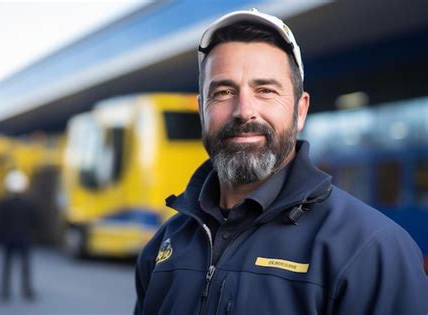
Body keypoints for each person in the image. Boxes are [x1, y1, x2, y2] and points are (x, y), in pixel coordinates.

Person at [134, 9, 428, 314]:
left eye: (265, 90)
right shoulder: (164, 246)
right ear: (202, 111)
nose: (244, 110)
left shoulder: (373, 250)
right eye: (223, 92)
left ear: (300, 111)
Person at [0, 169, 37, 301]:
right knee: (25, 267)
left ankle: (4, 292)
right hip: (24, 239)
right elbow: (37, 222)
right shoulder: (30, 204)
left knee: (7, 266)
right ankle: (27, 292)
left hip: (8, 239)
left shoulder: (3, 204)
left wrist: (1, 236)